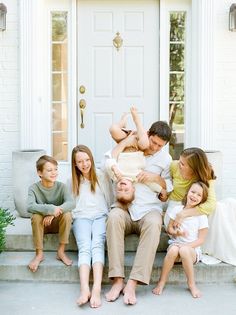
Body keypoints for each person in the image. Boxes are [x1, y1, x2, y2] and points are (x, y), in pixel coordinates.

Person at [105, 120, 173, 305]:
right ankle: (118, 281)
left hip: (149, 209)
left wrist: (156, 178)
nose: (156, 147)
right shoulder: (131, 143)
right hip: (124, 207)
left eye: (161, 145)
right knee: (113, 217)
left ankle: (132, 283)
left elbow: (168, 190)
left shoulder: (165, 160)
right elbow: (109, 158)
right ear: (148, 134)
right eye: (154, 142)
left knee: (154, 223)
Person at [69, 145, 113, 308]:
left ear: (91, 159)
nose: (84, 164)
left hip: (100, 216)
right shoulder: (72, 181)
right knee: (85, 247)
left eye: (87, 160)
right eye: (80, 161)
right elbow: (71, 204)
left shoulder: (101, 176)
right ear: (75, 164)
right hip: (81, 218)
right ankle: (84, 289)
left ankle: (96, 288)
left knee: (97, 245)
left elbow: (109, 198)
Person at [152, 181, 209, 298]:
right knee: (173, 250)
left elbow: (201, 240)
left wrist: (186, 246)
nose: (194, 196)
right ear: (188, 192)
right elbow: (169, 229)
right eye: (193, 192)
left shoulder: (201, 216)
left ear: (202, 199)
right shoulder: (177, 209)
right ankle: (161, 282)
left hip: (191, 250)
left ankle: (191, 284)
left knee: (183, 250)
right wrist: (176, 232)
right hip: (176, 245)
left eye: (199, 195)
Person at [27, 155, 75, 273]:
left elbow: (71, 203)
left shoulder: (61, 187)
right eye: (49, 170)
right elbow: (29, 206)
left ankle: (61, 251)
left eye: (55, 169)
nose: (54, 173)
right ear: (40, 173)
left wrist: (54, 213)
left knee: (67, 214)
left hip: (58, 224)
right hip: (41, 225)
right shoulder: (33, 188)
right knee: (36, 216)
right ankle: (39, 254)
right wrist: (50, 209)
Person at [106, 107, 163, 200]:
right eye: (126, 191)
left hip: (125, 144)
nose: (122, 188)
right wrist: (161, 190)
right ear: (133, 189)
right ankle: (137, 121)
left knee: (113, 129)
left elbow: (108, 162)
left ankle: (122, 122)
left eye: (119, 191)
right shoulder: (136, 177)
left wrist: (114, 167)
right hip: (138, 145)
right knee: (145, 144)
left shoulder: (115, 177)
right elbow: (150, 184)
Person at [163, 147, 217, 229]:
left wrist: (184, 213)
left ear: (193, 168)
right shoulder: (174, 166)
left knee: (219, 209)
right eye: (179, 161)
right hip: (175, 204)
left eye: (183, 164)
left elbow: (210, 204)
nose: (179, 165)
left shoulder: (205, 174)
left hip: (193, 206)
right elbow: (165, 182)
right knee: (175, 229)